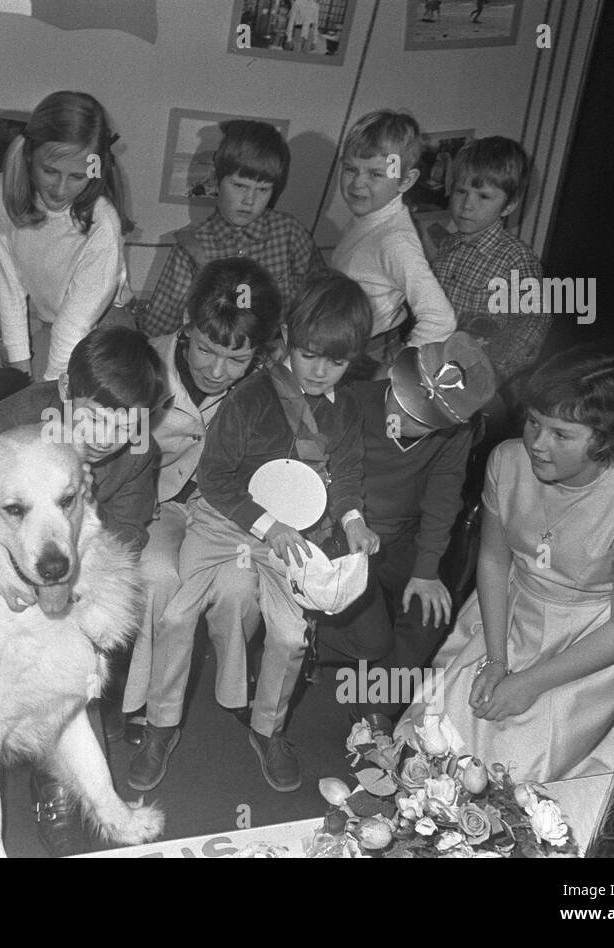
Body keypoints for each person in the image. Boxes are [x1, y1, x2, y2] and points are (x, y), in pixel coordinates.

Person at [0, 325, 165, 855]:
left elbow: (129, 534)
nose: (107, 434)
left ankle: (77, 790)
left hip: (76, 573)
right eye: (95, 415)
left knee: (71, 671)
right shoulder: (2, 426)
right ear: (66, 393)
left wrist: (84, 598)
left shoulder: (138, 454)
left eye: (125, 421)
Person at [148, 270, 378, 793]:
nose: (320, 372)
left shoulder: (346, 410)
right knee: (178, 614)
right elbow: (216, 478)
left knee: (292, 635)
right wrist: (267, 525)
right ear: (289, 340)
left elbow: (347, 475)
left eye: (337, 362)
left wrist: (353, 520)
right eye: (311, 354)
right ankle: (161, 726)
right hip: (225, 521)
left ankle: (267, 728)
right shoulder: (252, 394)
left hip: (295, 535)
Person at [396, 349, 614, 782]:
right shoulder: (505, 460)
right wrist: (496, 659)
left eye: (561, 434)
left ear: (606, 440)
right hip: (505, 609)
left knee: (519, 771)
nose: (538, 444)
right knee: (434, 736)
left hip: (590, 643)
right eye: (534, 422)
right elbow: (492, 558)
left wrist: (529, 683)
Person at [122, 258, 282, 790]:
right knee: (160, 577)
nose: (217, 370)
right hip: (155, 502)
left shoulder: (268, 387)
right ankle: (153, 715)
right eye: (206, 350)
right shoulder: (143, 365)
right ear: (186, 323)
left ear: (259, 352)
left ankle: (242, 695)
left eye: (237, 358)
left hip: (226, 516)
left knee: (239, 587)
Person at [316, 332, 497, 720]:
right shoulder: (354, 399)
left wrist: (426, 570)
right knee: (373, 637)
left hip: (399, 538)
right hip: (338, 532)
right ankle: (320, 647)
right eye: (403, 397)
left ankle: (374, 714)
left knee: (428, 614)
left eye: (422, 418)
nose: (402, 416)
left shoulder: (456, 435)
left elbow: (442, 497)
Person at [0, 91, 133, 381]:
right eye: (50, 171)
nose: (60, 189)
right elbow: (9, 283)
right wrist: (19, 366)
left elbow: (74, 324)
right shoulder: (1, 194)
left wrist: (52, 387)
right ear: (29, 156)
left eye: (77, 177)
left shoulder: (102, 221)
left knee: (76, 417)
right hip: (50, 323)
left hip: (104, 327)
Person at [141, 119, 324, 337]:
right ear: (217, 180)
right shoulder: (191, 247)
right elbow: (159, 329)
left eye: (263, 189)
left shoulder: (290, 233)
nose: (250, 200)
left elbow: (320, 303)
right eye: (240, 186)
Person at [330, 110, 455, 372]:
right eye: (351, 169)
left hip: (366, 355)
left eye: (375, 174)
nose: (357, 183)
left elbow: (440, 318)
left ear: (406, 181)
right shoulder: (369, 218)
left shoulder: (395, 241)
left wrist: (399, 371)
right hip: (342, 344)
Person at [428, 136, 549, 389]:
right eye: (461, 191)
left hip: (474, 381)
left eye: (483, 196)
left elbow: (532, 323)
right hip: (433, 368)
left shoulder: (516, 258)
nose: (467, 205)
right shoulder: (448, 247)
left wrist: (493, 371)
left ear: (508, 205)